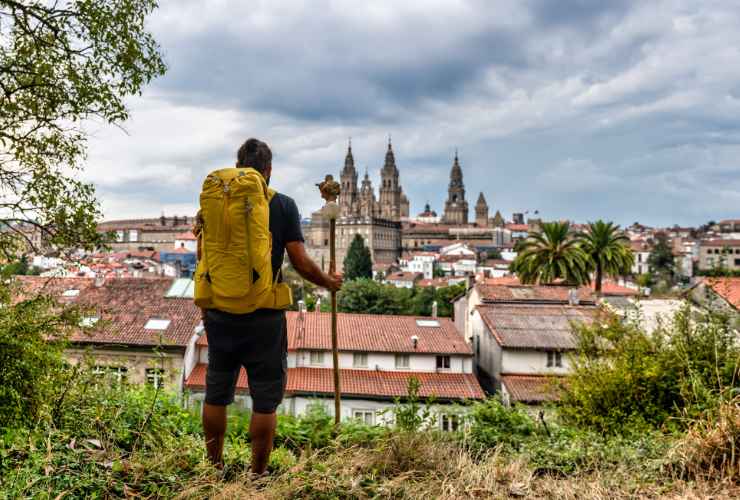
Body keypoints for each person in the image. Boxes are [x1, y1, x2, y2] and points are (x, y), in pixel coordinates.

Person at [200, 138, 342, 475]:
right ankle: (258, 473)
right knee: (265, 399)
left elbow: (205, 254)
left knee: (216, 392)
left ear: (237, 166)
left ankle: (214, 467)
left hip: (219, 309)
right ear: (269, 170)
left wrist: (208, 304)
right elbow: (300, 262)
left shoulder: (214, 203)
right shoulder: (283, 205)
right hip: (264, 315)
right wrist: (328, 282)